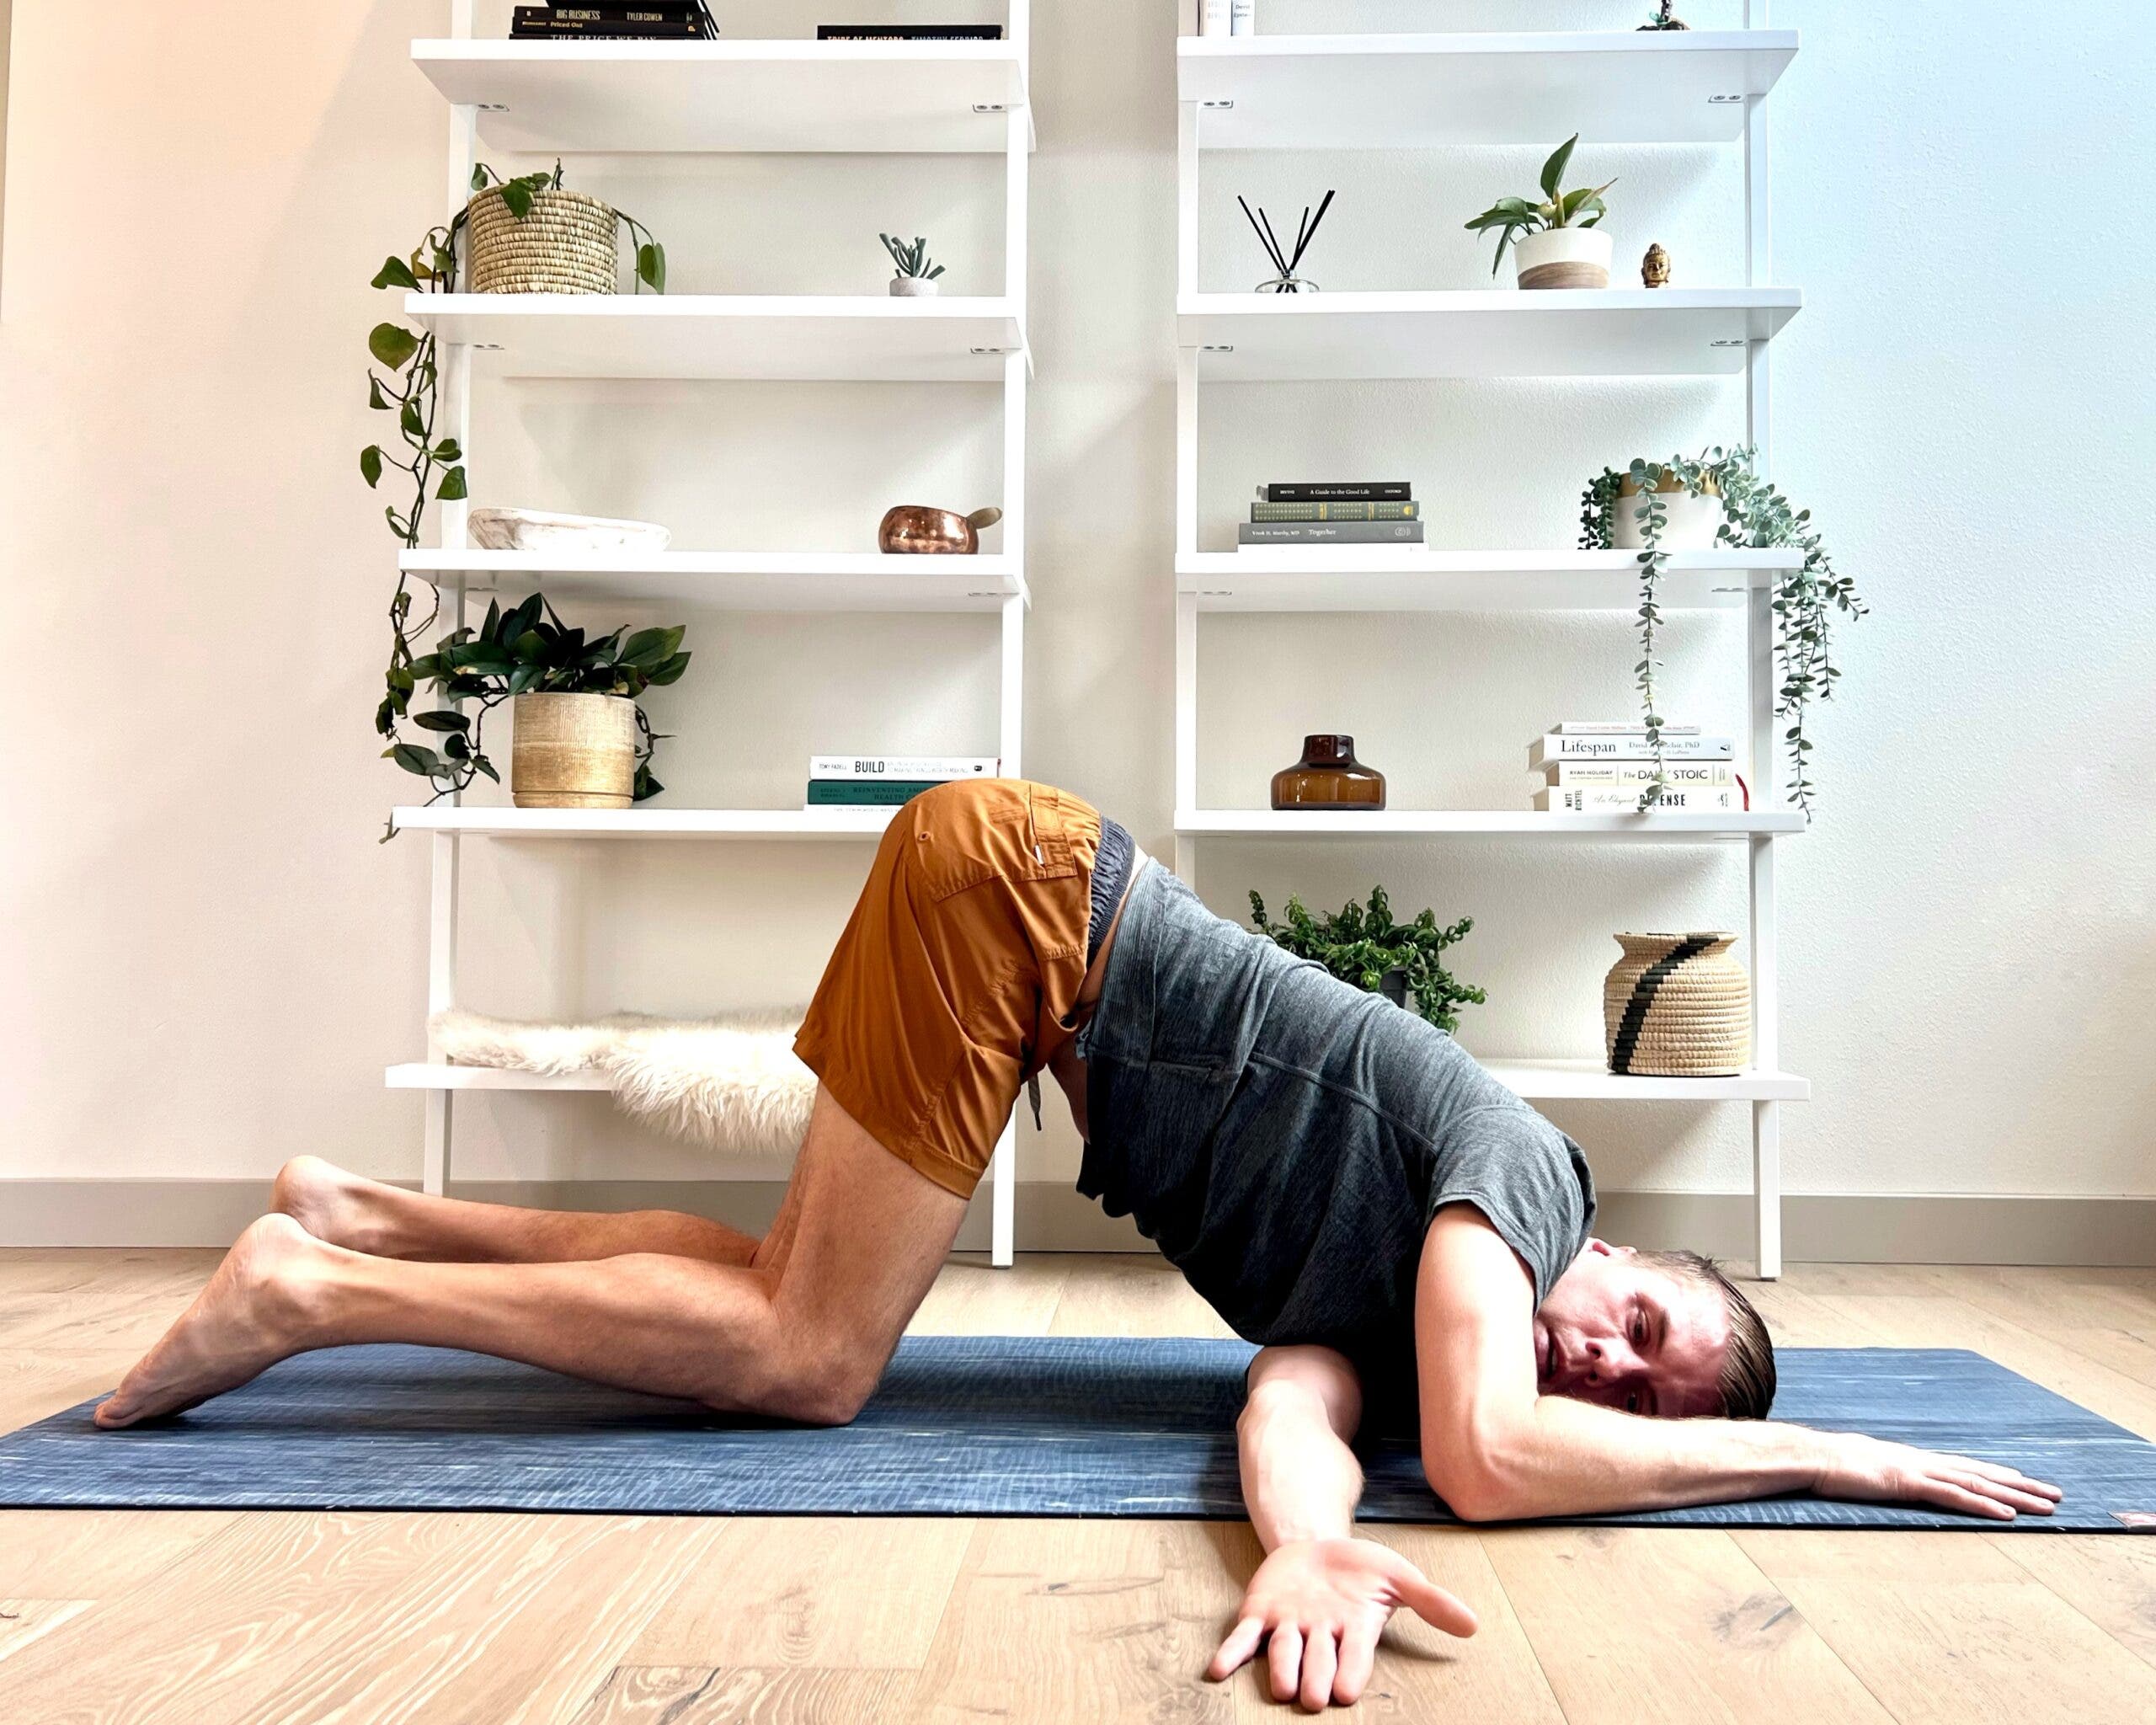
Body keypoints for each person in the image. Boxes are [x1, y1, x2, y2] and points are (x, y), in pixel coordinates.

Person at [97, 778, 2060, 1712]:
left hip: (1011, 894)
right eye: (1639, 1326)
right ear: (1616, 1247)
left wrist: (1305, 1540)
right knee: (811, 1360)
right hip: (1027, 908)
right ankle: (312, 1296)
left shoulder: (1396, 1325)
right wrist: (1808, 1451)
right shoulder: (1526, 1187)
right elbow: (1480, 1461)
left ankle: (364, 1215)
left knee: (784, 1285)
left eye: (1639, 1393)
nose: (1603, 1363)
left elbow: (1290, 1412)